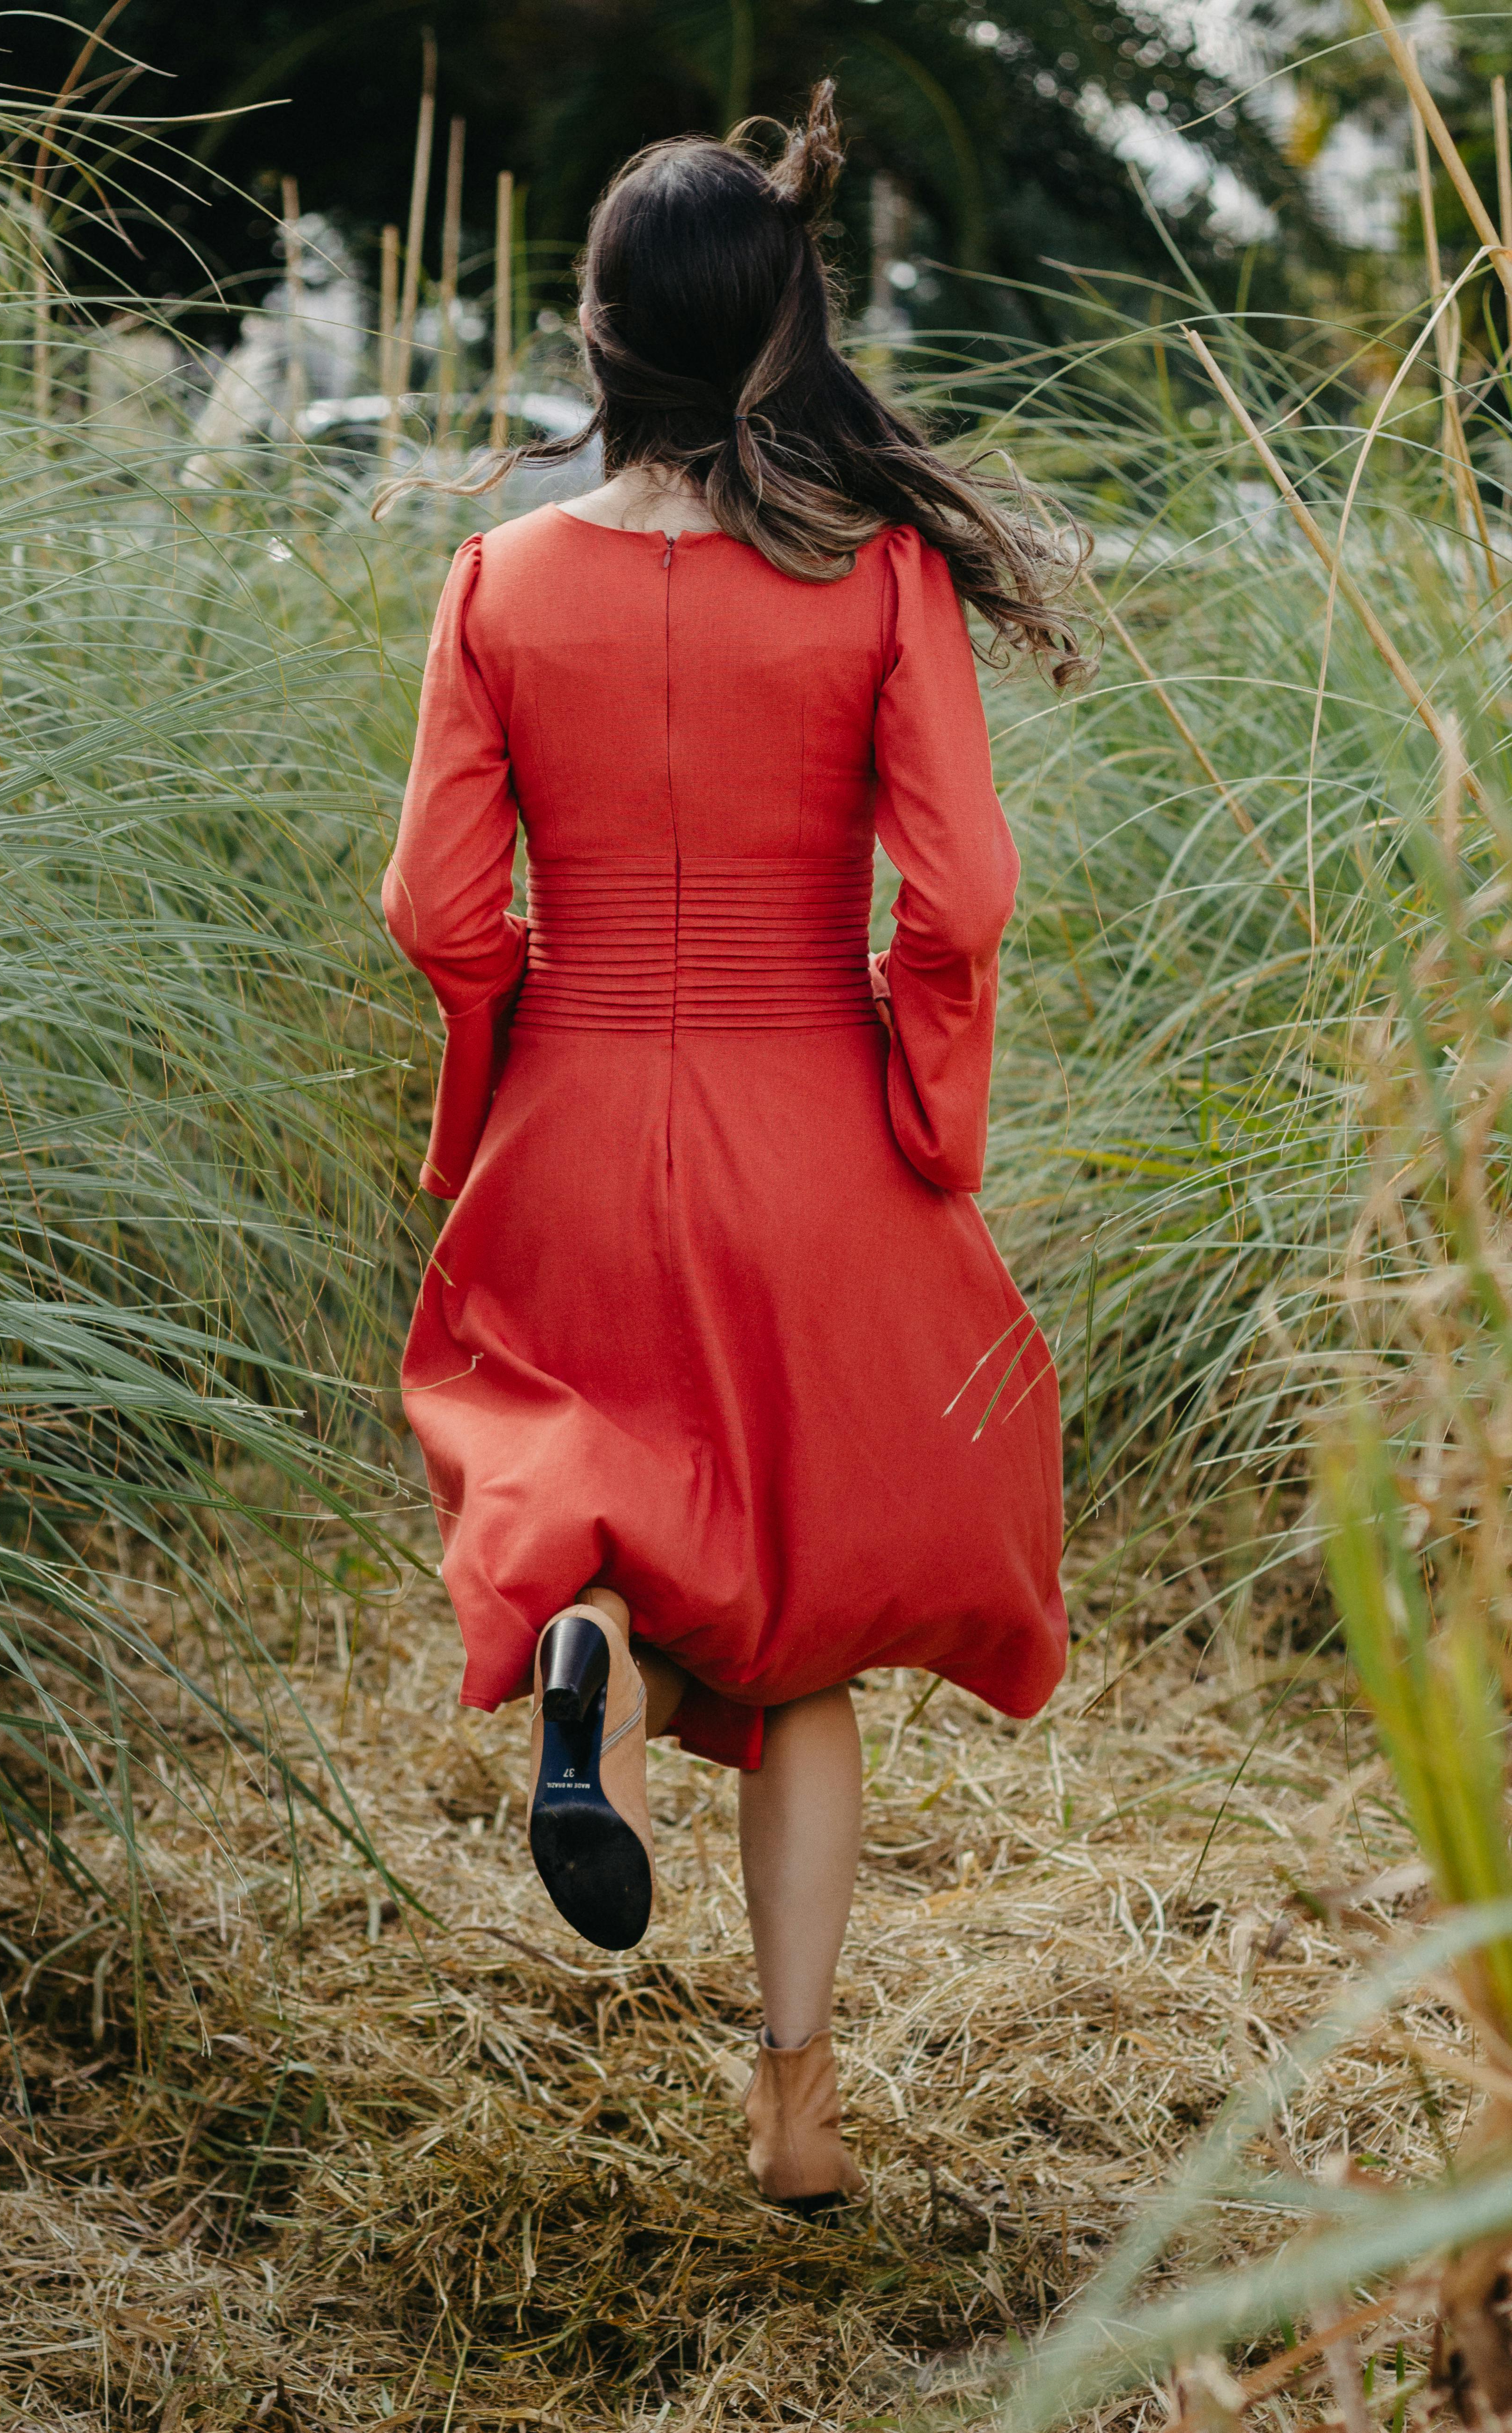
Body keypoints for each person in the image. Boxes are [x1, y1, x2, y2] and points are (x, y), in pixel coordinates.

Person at [380, 81, 1083, 2211]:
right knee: (799, 1641)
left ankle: (586, 1646)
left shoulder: (494, 583)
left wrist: (501, 1068)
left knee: (610, 1496)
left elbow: (434, 909)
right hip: (810, 1134)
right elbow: (957, 896)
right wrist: (922, 1112)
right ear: (785, 332)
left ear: (596, 345)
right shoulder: (877, 581)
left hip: (578, 1122)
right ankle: (795, 2107)